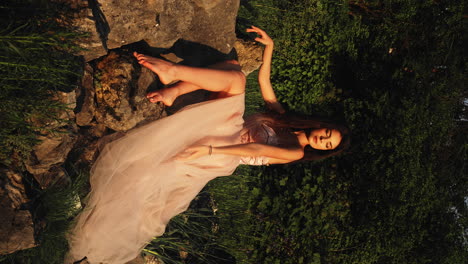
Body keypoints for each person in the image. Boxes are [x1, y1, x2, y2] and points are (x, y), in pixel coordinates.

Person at [65, 26, 350, 264]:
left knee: (235, 78)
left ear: (321, 151)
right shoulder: (283, 119)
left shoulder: (295, 152)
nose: (322, 139)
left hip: (222, 152)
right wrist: (270, 46)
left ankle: (173, 77)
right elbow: (263, 80)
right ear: (319, 124)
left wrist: (210, 151)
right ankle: (172, 86)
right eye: (327, 133)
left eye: (327, 144)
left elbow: (256, 150)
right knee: (234, 70)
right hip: (225, 128)